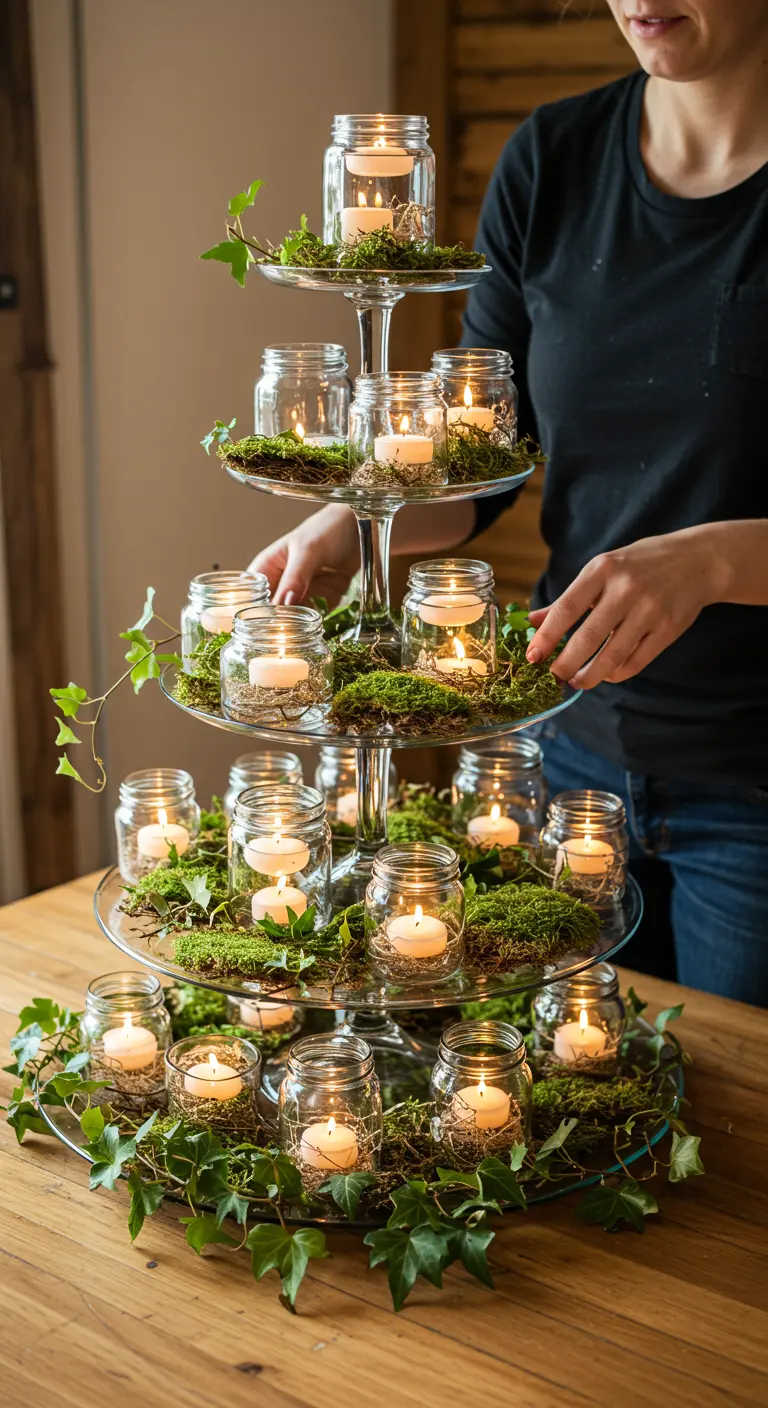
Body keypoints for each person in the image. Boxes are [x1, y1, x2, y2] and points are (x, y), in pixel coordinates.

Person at [251, 1, 768, 1004]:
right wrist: (356, 523)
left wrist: (713, 559)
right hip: (565, 750)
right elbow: (481, 466)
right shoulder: (555, 157)